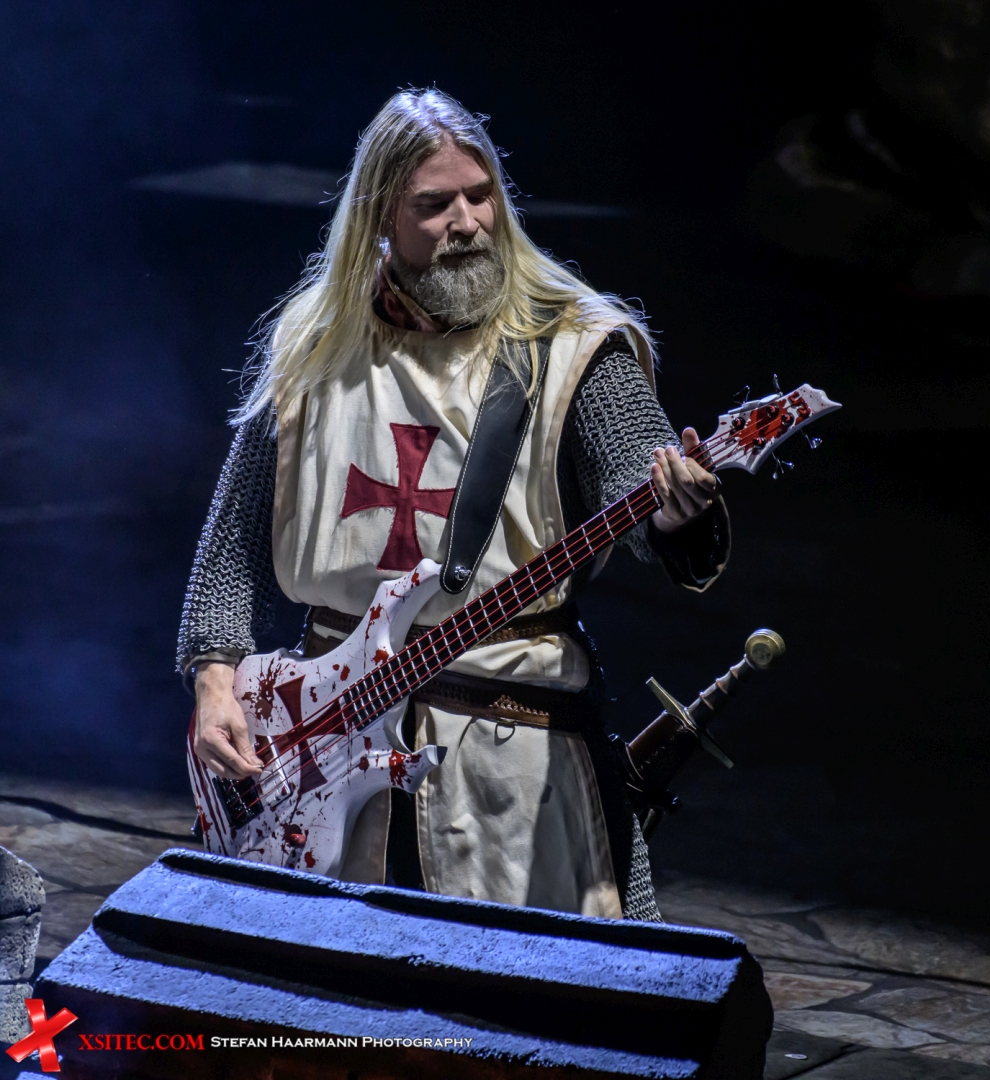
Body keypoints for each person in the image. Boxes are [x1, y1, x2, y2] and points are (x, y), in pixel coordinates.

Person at [177, 88, 730, 922]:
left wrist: (674, 512)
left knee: (532, 993)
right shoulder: (315, 348)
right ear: (379, 219)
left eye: (481, 196)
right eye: (434, 205)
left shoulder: (571, 348)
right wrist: (216, 684)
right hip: (323, 745)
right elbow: (233, 545)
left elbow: (638, 487)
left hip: (511, 749)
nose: (467, 222)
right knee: (322, 990)